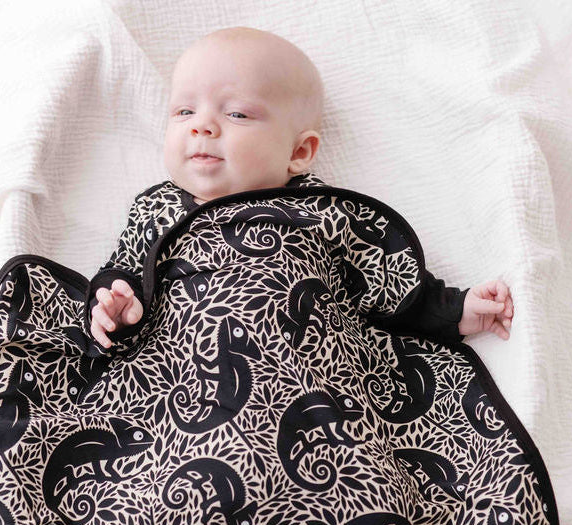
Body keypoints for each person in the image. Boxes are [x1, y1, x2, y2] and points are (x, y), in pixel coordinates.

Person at [87, 26, 513, 350]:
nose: (201, 125)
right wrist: (115, 306)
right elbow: (121, 271)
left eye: (236, 114)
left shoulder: (320, 209)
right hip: (182, 374)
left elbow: (390, 285)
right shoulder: (157, 207)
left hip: (311, 374)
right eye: (183, 110)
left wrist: (457, 311)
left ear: (299, 152)